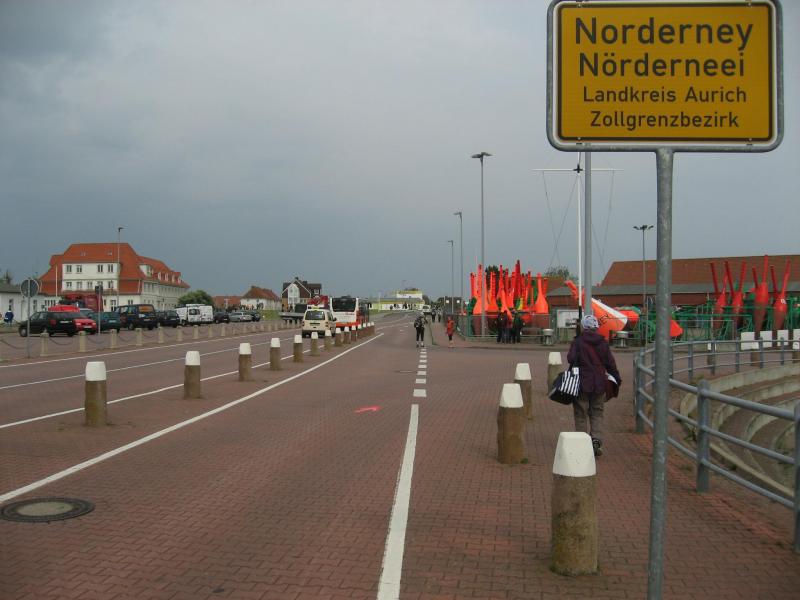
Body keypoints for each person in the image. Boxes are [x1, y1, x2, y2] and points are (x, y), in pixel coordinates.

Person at [567, 314, 621, 457]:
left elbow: (570, 359)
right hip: (599, 383)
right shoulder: (603, 343)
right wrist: (616, 378)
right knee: (597, 412)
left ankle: (581, 442)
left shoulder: (578, 342)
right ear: (596, 327)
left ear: (583, 326)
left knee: (581, 413)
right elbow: (610, 363)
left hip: (582, 382)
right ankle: (596, 440)